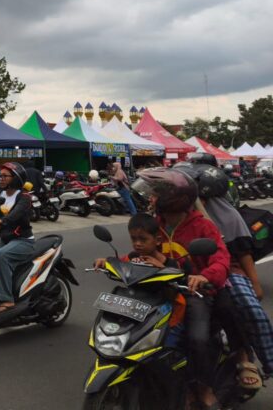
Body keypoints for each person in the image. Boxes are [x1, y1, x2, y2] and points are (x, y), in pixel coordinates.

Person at [130, 168, 231, 408]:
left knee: (197, 339)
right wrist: (113, 263)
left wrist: (203, 276)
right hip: (162, 290)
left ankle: (202, 387)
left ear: (174, 199)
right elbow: (141, 253)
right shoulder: (156, 225)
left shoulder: (203, 226)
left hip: (193, 292)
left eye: (156, 194)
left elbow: (221, 259)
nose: (151, 199)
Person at [185, 160, 273, 386]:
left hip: (226, 269)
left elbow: (242, 254)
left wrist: (255, 283)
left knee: (249, 310)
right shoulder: (172, 216)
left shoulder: (228, 217)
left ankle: (259, 360)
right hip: (186, 271)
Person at [0, 163, 35, 312]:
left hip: (24, 241)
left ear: (16, 178)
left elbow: (16, 214)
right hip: (6, 240)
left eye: (4, 176)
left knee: (1, 256)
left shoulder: (24, 197)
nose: (1, 178)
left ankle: (6, 300)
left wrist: (2, 221)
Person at [94, 213, 182, 270]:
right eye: (133, 239)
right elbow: (119, 263)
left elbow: (180, 282)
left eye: (143, 239)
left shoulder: (171, 264)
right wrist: (104, 261)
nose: (137, 244)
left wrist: (162, 269)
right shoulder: (133, 256)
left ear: (158, 240)